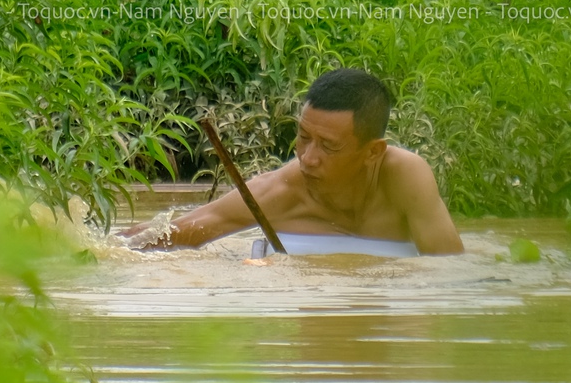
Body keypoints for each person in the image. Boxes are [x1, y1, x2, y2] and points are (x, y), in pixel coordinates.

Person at [118, 67, 465, 257]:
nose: (307, 159)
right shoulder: (281, 191)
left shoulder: (405, 176)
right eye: (302, 137)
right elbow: (177, 232)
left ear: (373, 152)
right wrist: (102, 251)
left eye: (329, 146)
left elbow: (448, 272)